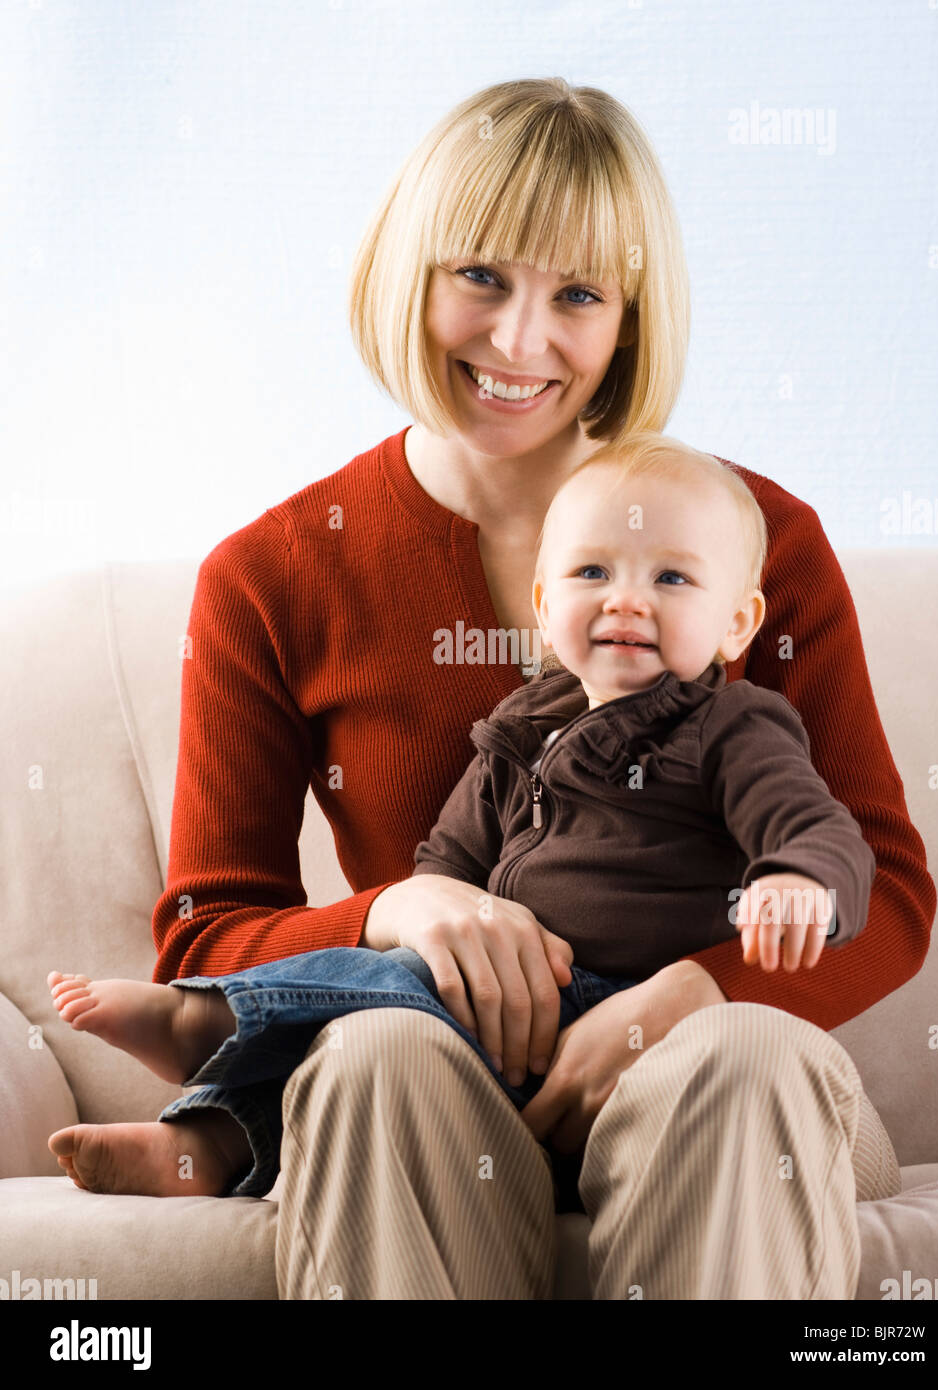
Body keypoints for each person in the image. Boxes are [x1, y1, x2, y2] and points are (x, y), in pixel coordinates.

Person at [49, 77, 936, 1298]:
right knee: (369, 1061)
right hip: (446, 1084)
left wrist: (685, 995)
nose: (521, 342)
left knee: (741, 1059)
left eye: (578, 293)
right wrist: (396, 911)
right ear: (406, 275)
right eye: (480, 276)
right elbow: (208, 935)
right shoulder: (275, 575)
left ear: (630, 316)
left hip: (726, 1086)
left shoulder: (756, 542)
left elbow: (882, 888)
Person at [46, 432, 875, 1203]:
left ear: (738, 622)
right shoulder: (519, 734)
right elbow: (445, 867)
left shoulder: (733, 725)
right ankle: (210, 1137)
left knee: (395, 992)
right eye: (593, 574)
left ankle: (212, 1016)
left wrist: (797, 880)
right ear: (546, 605)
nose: (627, 600)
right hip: (503, 1021)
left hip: (647, 1019)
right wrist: (430, 919)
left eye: (670, 579)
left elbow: (818, 830)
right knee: (391, 1000)